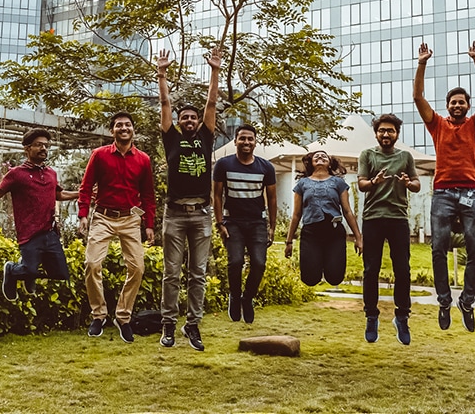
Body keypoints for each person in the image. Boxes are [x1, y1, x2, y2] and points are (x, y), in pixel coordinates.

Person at [413, 40, 475, 333]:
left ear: (467, 107)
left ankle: (467, 302)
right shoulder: (437, 125)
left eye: (462, 102)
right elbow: (418, 96)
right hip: (444, 192)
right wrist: (422, 63)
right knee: (438, 248)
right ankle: (445, 301)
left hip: (471, 192)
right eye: (453, 102)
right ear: (448, 106)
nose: (458, 105)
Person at [0, 128, 79, 301]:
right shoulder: (16, 174)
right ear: (27, 149)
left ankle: (29, 273)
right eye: (39, 145)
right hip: (30, 234)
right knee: (30, 269)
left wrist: (81, 194)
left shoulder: (51, 173)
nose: (44, 149)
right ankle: (12, 270)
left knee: (61, 274)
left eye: (46, 145)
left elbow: (58, 195)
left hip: (50, 233)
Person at [155, 47, 221, 351]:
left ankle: (192, 325)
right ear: (179, 121)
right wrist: (162, 73)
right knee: (172, 273)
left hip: (201, 213)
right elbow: (165, 102)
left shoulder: (207, 136)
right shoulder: (171, 136)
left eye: (194, 117)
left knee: (198, 274)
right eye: (186, 117)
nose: (191, 119)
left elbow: (211, 101)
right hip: (175, 214)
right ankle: (168, 324)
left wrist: (215, 71)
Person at [78, 111, 156, 343]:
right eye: (119, 125)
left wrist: (148, 224)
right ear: (112, 130)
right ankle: (98, 315)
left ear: (133, 129)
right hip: (103, 216)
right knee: (92, 263)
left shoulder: (143, 159)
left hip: (131, 218)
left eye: (128, 125)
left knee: (137, 268)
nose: (124, 128)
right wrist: (83, 214)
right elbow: (86, 186)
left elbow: (148, 195)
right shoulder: (99, 155)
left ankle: (123, 317)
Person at [357, 113, 421, 346]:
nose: (386, 134)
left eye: (390, 131)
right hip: (373, 218)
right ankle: (371, 316)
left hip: (397, 219)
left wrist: (407, 183)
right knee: (370, 270)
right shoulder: (367, 155)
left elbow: (416, 185)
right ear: (376, 133)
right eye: (382, 130)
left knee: (402, 269)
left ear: (397, 134)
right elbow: (361, 184)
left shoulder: (405, 156)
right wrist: (374, 182)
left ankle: (401, 317)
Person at [213, 124, 277, 324]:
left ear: (255, 142)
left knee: (259, 263)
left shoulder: (266, 167)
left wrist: (272, 226)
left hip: (258, 221)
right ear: (235, 141)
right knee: (235, 262)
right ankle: (234, 296)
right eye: (242, 138)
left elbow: (272, 198)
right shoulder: (224, 165)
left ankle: (247, 298)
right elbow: (216, 195)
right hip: (233, 221)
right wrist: (220, 223)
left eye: (250, 139)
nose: (246, 142)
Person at [284, 151, 363, 286]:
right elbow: (296, 214)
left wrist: (358, 238)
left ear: (330, 163)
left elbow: (347, 211)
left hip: (334, 232)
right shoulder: (302, 184)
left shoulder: (338, 183)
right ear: (311, 163)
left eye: (324, 156)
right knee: (310, 278)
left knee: (335, 277)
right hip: (311, 233)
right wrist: (289, 241)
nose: (320, 157)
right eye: (317, 156)